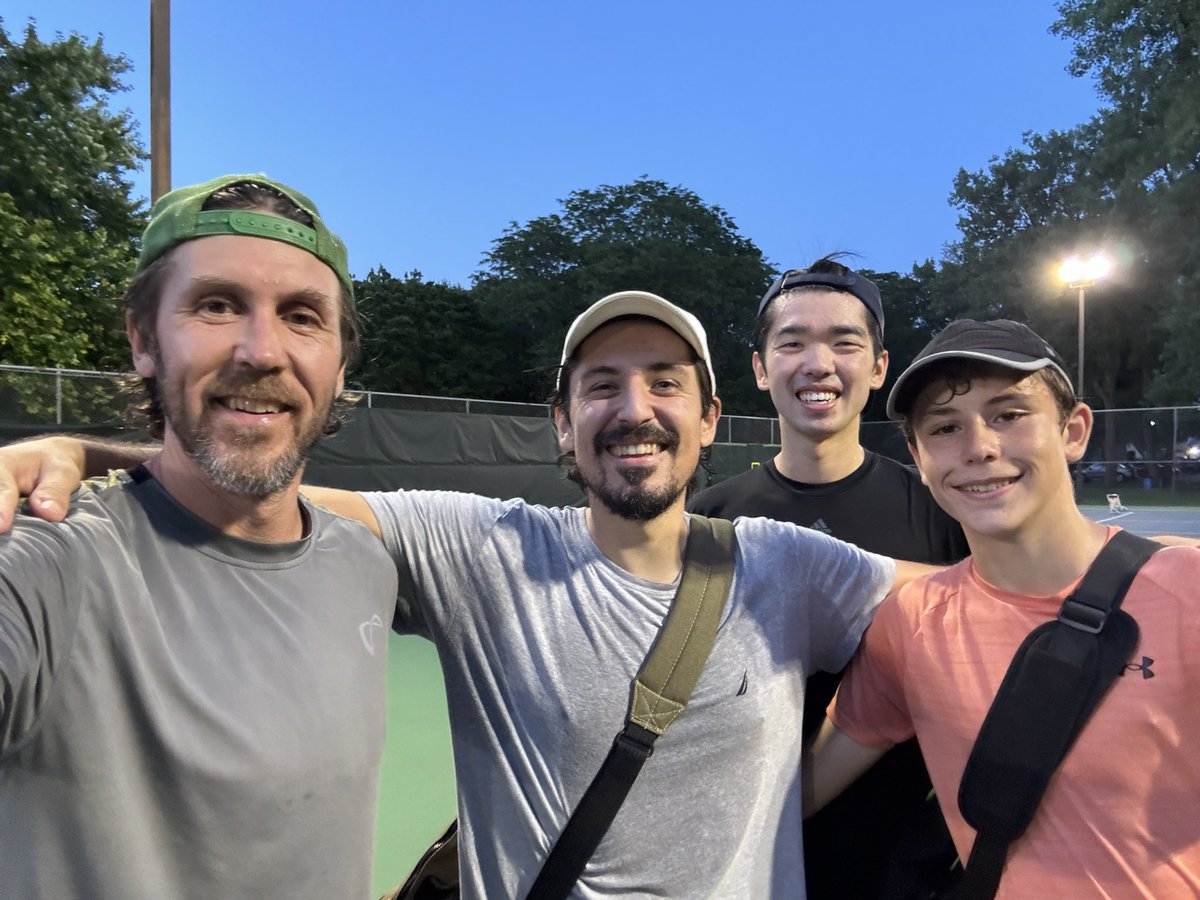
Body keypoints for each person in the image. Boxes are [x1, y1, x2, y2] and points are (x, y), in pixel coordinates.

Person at [0, 289, 938, 897]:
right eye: (601, 387)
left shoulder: (793, 566)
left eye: (664, 383)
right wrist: (85, 452)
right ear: (562, 425)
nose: (635, 409)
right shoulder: (478, 548)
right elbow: (263, 496)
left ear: (708, 419)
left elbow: (974, 605)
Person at [0, 174, 399, 898]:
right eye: (216, 305)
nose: (262, 351)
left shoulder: (366, 559)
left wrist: (83, 449)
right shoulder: (51, 557)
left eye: (302, 316)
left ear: (341, 365)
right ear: (143, 340)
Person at [808, 319, 1200, 898]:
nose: (980, 448)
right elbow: (798, 790)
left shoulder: (1187, 589)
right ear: (918, 458)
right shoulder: (910, 624)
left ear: (1073, 431)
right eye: (945, 428)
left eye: (1009, 415)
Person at [688, 257, 966, 897]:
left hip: (900, 865)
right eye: (793, 343)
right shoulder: (708, 518)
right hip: (739, 859)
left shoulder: (941, 512)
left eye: (845, 342)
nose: (819, 364)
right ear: (761, 368)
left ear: (879, 366)